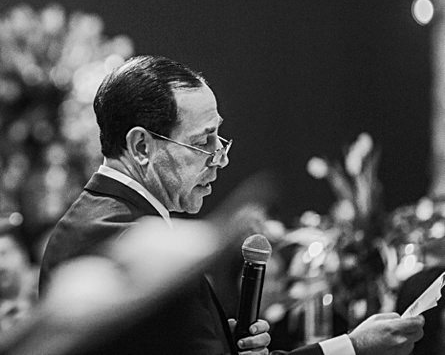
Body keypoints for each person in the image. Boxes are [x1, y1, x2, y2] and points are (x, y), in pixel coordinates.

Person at [39, 55, 425, 355]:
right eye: (203, 141)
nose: (219, 158)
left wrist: (353, 345)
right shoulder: (120, 239)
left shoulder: (107, 218)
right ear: (142, 147)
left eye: (219, 139)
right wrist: (353, 348)